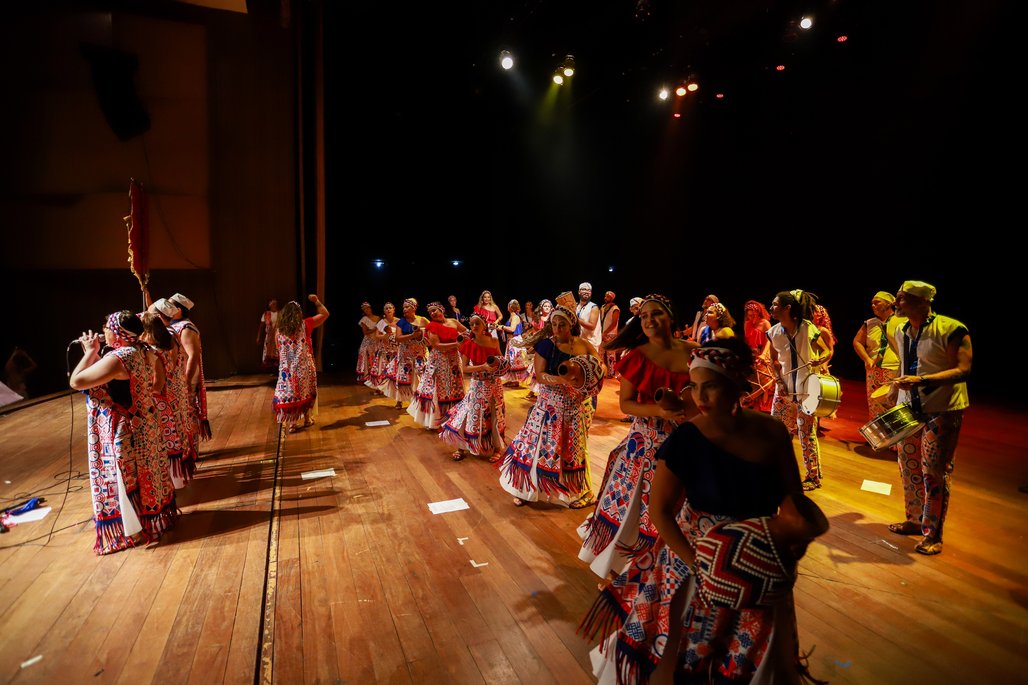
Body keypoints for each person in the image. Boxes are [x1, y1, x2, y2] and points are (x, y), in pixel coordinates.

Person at [584, 338, 827, 684]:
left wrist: (790, 537)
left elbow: (791, 496)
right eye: (693, 387)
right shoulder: (686, 438)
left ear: (735, 385)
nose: (699, 397)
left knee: (747, 654)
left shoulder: (772, 432)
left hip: (757, 558)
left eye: (709, 386)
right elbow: (660, 512)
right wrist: (698, 563)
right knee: (684, 652)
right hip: (694, 556)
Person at [578, 294, 696, 579]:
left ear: (671, 317)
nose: (649, 320)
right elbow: (626, 404)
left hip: (687, 444)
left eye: (656, 314)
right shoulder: (636, 357)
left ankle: (667, 571)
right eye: (643, 316)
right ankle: (623, 570)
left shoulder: (695, 352)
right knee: (634, 510)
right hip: (645, 446)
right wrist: (660, 410)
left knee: (677, 510)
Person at [69, 310, 177, 554]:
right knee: (139, 476)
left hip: (123, 428)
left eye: (107, 325)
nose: (103, 328)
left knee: (123, 478)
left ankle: (134, 531)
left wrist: (89, 352)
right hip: (142, 423)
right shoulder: (139, 350)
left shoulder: (119, 358)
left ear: (118, 332)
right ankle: (146, 523)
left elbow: (76, 381)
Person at [888, 280, 972, 556]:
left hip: (942, 409)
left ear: (924, 302)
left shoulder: (951, 329)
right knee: (908, 466)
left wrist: (921, 380)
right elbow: (905, 363)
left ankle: (932, 534)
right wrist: (893, 390)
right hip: (909, 407)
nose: (896, 303)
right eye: (897, 298)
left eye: (902, 299)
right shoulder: (901, 329)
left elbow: (962, 370)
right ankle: (914, 520)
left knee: (934, 472)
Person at [499, 304, 602, 508]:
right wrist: (562, 380)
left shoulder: (584, 345)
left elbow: (599, 367)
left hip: (574, 407)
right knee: (535, 445)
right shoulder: (546, 345)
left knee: (575, 449)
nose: (557, 328)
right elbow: (541, 375)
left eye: (561, 324)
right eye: (554, 324)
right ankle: (524, 488)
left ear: (571, 324)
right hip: (548, 407)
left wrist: (588, 374)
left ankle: (581, 492)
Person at [767, 290, 833, 491]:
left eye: (775, 304)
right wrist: (779, 382)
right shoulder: (774, 332)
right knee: (776, 431)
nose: (771, 308)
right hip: (784, 389)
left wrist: (821, 359)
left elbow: (826, 350)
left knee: (806, 433)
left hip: (806, 388)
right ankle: (775, 471)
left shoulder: (807, 328)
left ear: (787, 308)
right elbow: (773, 360)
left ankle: (812, 476)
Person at [439, 314, 508, 462]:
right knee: (471, 414)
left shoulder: (494, 341)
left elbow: (502, 360)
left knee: (495, 416)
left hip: (494, 384)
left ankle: (497, 448)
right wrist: (482, 366)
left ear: (484, 325)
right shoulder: (468, 344)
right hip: (478, 384)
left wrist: (499, 365)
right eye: (472, 324)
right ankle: (462, 446)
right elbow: (464, 368)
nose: (474, 326)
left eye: (477, 323)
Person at [141, 311, 192, 488]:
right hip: (177, 394)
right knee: (178, 432)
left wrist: (145, 394)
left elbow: (158, 383)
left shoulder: (154, 353)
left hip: (164, 400)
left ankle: (172, 480)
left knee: (166, 440)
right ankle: (180, 476)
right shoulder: (173, 342)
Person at [273, 295, 329, 432]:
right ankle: (307, 419)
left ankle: (292, 424)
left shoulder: (279, 331)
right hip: (304, 366)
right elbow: (325, 314)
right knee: (307, 392)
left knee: (291, 394)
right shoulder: (305, 324)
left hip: (287, 370)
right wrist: (316, 301)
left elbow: (278, 350)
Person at [409, 302, 466, 429]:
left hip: (454, 360)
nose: (433, 313)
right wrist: (456, 345)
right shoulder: (431, 326)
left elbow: (466, 332)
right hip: (439, 360)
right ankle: (437, 419)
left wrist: (466, 338)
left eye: (435, 310)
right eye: (430, 312)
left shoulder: (453, 322)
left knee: (455, 386)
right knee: (439, 387)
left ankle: (454, 416)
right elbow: (436, 345)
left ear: (441, 309)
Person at [167, 293, 212, 449]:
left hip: (187, 374)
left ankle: (192, 447)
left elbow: (193, 356)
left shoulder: (186, 328)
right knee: (183, 410)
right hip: (180, 374)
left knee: (189, 410)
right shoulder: (175, 325)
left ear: (179, 310)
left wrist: (186, 380)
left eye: (171, 305)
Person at [852, 291, 905, 424]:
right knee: (874, 403)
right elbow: (857, 342)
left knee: (892, 404)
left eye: (877, 302)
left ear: (889, 304)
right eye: (872, 303)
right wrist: (867, 359)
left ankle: (894, 438)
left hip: (893, 369)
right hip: (874, 369)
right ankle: (878, 437)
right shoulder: (869, 323)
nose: (873, 305)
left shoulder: (901, 322)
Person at [381, 298, 428, 409]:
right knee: (403, 377)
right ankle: (400, 400)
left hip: (419, 354)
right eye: (404, 307)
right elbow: (398, 338)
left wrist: (421, 335)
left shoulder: (422, 320)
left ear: (414, 308)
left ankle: (419, 399)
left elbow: (431, 332)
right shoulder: (401, 322)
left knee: (420, 376)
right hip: (405, 354)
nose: (405, 309)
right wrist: (412, 336)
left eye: (407, 307)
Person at [742, 300, 774, 413]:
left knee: (765, 382)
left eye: (753, 315)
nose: (751, 317)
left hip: (763, 356)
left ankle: (762, 409)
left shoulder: (765, 323)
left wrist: (764, 355)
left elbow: (770, 341)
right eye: (749, 315)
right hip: (752, 357)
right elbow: (746, 342)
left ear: (758, 313)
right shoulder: (747, 324)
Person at [366, 302, 399, 392]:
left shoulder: (399, 321)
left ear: (393, 310)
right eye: (386, 308)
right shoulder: (381, 322)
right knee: (382, 368)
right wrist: (385, 336)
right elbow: (377, 336)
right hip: (385, 349)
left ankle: (392, 389)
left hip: (396, 349)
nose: (388, 310)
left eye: (390, 308)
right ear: (384, 311)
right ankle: (380, 387)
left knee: (394, 370)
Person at [499, 299, 530, 387]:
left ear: (509, 307)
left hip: (515, 341)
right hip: (512, 341)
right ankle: (512, 379)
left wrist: (502, 327)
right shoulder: (513, 316)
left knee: (514, 361)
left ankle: (516, 381)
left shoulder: (515, 317)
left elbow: (512, 329)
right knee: (511, 361)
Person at [356, 301, 380, 384]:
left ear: (370, 308)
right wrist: (374, 329)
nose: (367, 310)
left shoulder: (378, 318)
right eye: (365, 309)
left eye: (368, 308)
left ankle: (375, 376)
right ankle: (366, 377)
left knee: (375, 358)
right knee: (367, 358)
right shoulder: (364, 319)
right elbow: (365, 332)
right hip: (368, 341)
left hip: (377, 340)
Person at [599, 291, 621, 379]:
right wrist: (601, 332)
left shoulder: (615, 308)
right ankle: (600, 371)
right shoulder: (602, 307)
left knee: (610, 354)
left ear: (612, 298)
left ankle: (611, 373)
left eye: (608, 296)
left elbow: (614, 323)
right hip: (602, 333)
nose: (606, 297)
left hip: (611, 333)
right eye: (605, 296)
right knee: (600, 352)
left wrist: (605, 332)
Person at [576, 282, 603, 349]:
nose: (587, 292)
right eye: (584, 289)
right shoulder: (576, 306)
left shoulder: (593, 307)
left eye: (589, 290)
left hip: (591, 344)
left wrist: (575, 318)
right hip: (578, 341)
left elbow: (592, 326)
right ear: (579, 291)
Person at [256, 298, 280, 368]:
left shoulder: (280, 313)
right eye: (272, 304)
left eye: (275, 304)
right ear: (269, 305)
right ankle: (272, 369)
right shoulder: (266, 314)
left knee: (278, 353)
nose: (274, 305)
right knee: (269, 354)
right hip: (269, 337)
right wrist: (258, 337)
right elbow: (261, 326)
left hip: (278, 337)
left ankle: (279, 370)